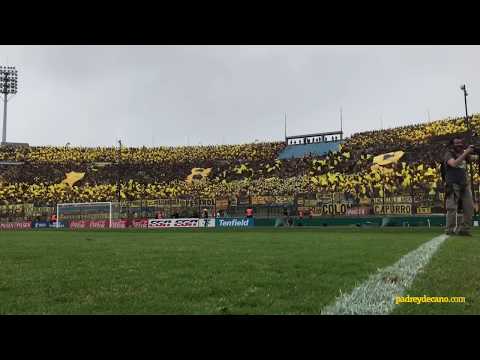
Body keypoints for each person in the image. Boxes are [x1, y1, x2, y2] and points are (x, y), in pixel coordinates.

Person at [443, 137, 478, 236]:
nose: (459, 144)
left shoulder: (464, 154)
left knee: (469, 207)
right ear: (452, 144)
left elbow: (474, 158)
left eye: (460, 143)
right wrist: (466, 152)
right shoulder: (448, 154)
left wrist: (474, 151)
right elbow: (453, 164)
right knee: (452, 208)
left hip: (464, 184)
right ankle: (450, 230)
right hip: (452, 184)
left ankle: (464, 229)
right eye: (457, 143)